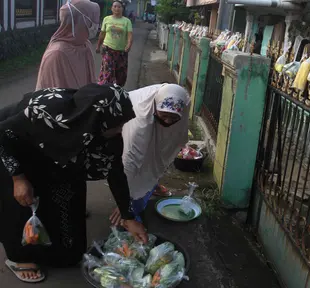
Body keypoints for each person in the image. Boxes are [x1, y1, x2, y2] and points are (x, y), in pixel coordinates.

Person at [0, 84, 147, 283]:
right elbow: (3, 136)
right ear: (95, 118)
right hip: (15, 150)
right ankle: (20, 258)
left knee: (66, 203)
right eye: (117, 124)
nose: (120, 129)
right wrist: (18, 178)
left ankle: (60, 252)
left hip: (59, 158)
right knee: (22, 205)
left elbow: (115, 171)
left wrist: (128, 217)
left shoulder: (101, 131)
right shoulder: (45, 111)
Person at [109, 84, 190, 225]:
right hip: (137, 115)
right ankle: (136, 194)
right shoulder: (138, 122)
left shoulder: (184, 101)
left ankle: (152, 184)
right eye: (164, 116)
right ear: (156, 107)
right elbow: (130, 160)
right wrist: (124, 205)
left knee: (158, 156)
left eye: (173, 117)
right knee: (139, 159)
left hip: (153, 113)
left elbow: (171, 141)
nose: (168, 122)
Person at [36, 0, 100, 90]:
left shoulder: (85, 44)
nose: (96, 25)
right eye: (92, 19)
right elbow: (53, 97)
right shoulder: (57, 54)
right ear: (80, 21)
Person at [96, 0, 133, 87]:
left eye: (119, 7)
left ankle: (118, 92)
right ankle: (106, 92)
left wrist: (129, 44)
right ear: (112, 8)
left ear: (122, 9)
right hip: (108, 49)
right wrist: (98, 46)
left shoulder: (126, 21)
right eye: (115, 6)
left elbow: (130, 35)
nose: (117, 8)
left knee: (121, 76)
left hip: (121, 51)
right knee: (108, 73)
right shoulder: (106, 19)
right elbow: (102, 34)